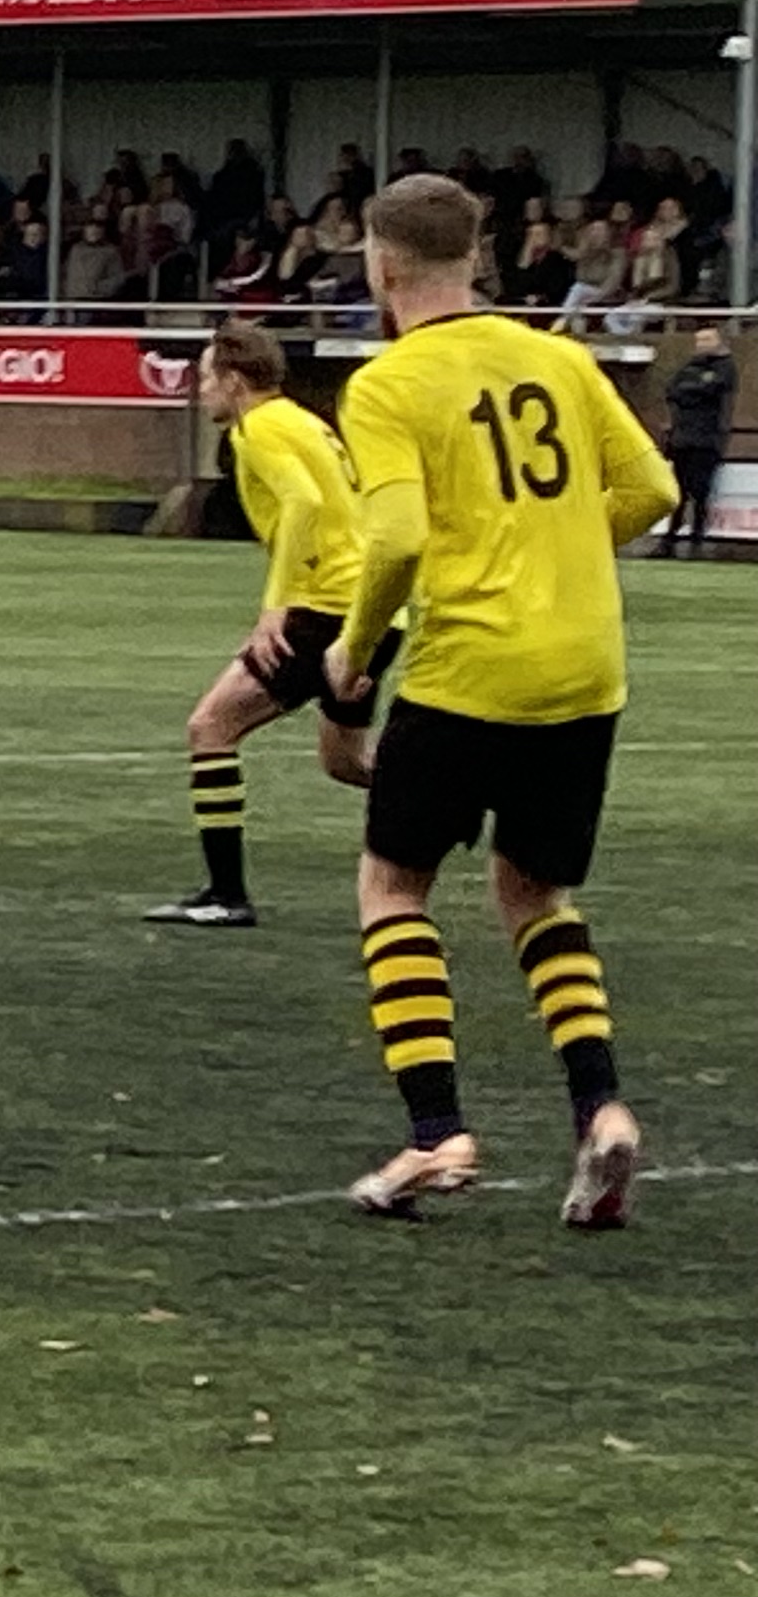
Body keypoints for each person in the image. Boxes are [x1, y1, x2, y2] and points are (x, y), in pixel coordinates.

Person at [322, 176, 677, 1224]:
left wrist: (352, 655)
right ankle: (601, 1113)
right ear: (475, 257)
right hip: (583, 667)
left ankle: (438, 1135)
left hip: (470, 664)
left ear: (382, 267)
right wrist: (557, 547)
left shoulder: (389, 384)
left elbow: (392, 539)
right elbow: (653, 490)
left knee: (393, 887)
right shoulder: (561, 358)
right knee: (536, 897)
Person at [146, 325, 385, 929]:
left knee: (210, 726)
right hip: (370, 607)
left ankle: (227, 895)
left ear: (234, 380)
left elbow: (303, 503)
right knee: (347, 764)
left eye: (206, 377)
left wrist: (276, 607)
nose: (202, 391)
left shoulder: (260, 429)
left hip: (323, 608)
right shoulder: (305, 420)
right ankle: (455, 797)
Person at [655, 322, 734, 555]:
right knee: (677, 492)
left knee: (701, 493)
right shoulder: (689, 366)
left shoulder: (726, 367)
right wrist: (695, 390)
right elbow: (672, 391)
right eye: (699, 340)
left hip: (707, 440)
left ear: (719, 341)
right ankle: (668, 541)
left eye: (707, 340)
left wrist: (690, 392)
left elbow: (710, 389)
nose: (701, 345)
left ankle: (696, 542)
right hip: (682, 438)